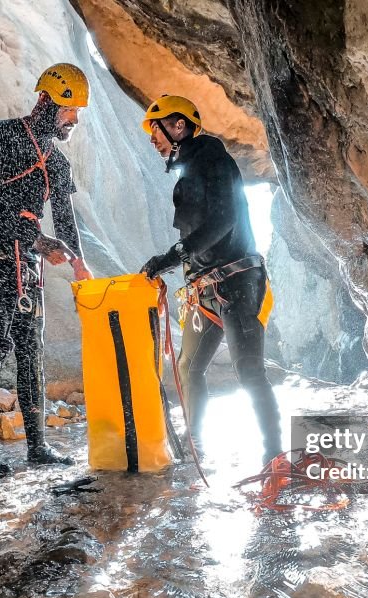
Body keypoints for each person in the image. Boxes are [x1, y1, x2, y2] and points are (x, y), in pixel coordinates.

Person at [0, 63, 93, 479]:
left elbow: (66, 221)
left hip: (25, 266)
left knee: (31, 353)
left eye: (78, 113)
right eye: (69, 110)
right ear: (46, 100)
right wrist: (39, 241)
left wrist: (79, 264)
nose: (74, 120)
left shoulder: (58, 162)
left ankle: (37, 446)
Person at [139, 95, 282, 464]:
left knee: (248, 369)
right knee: (188, 366)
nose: (152, 138)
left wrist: (171, 257)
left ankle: (274, 456)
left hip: (238, 282)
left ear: (178, 126)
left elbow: (222, 222)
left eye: (156, 129)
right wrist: (180, 273)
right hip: (205, 289)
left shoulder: (213, 159)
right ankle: (196, 444)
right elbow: (199, 233)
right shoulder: (188, 170)